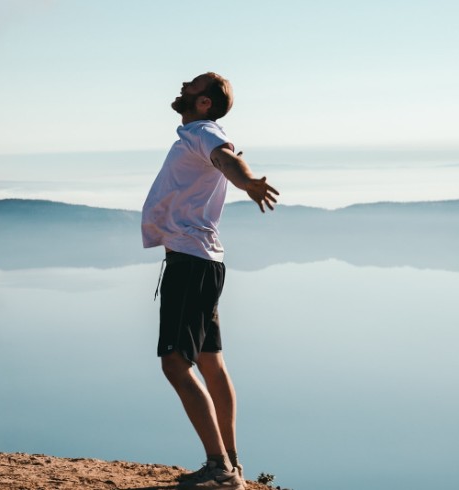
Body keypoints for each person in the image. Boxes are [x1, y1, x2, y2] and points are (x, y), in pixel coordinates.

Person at [141, 72, 279, 490]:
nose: (182, 85)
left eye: (192, 85)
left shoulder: (204, 132)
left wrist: (246, 181)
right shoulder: (197, 133)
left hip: (189, 261)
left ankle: (219, 469)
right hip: (202, 260)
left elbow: (227, 158)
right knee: (209, 362)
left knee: (174, 364)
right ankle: (231, 463)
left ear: (204, 103)